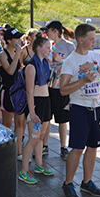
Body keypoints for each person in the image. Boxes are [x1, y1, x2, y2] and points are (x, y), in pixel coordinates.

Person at [60, 23, 100, 197]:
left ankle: (87, 182)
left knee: (93, 146)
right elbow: (63, 90)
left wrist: (95, 67)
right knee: (78, 147)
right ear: (81, 40)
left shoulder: (96, 56)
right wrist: (82, 81)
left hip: (98, 107)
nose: (94, 41)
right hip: (80, 108)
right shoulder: (70, 61)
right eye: (91, 38)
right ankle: (68, 183)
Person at [19, 33, 54, 184]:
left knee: (41, 136)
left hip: (46, 101)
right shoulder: (31, 66)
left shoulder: (45, 63)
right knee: (33, 138)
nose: (50, 50)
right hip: (36, 104)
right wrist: (32, 113)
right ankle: (24, 171)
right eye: (47, 48)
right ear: (39, 48)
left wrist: (57, 73)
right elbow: (29, 91)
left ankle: (39, 165)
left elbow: (49, 84)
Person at [43, 20, 76, 160]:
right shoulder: (48, 45)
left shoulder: (69, 46)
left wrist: (60, 60)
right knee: (46, 118)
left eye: (48, 30)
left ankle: (64, 147)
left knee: (62, 119)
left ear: (55, 30)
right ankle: (44, 146)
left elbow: (75, 65)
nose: (46, 33)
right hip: (47, 85)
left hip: (61, 86)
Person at [0, 27, 26, 159]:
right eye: (17, 38)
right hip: (7, 91)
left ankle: (18, 151)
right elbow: (9, 71)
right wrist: (18, 55)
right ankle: (4, 149)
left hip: (18, 91)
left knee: (20, 123)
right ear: (9, 40)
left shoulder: (16, 52)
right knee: (7, 123)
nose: (19, 40)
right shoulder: (2, 55)